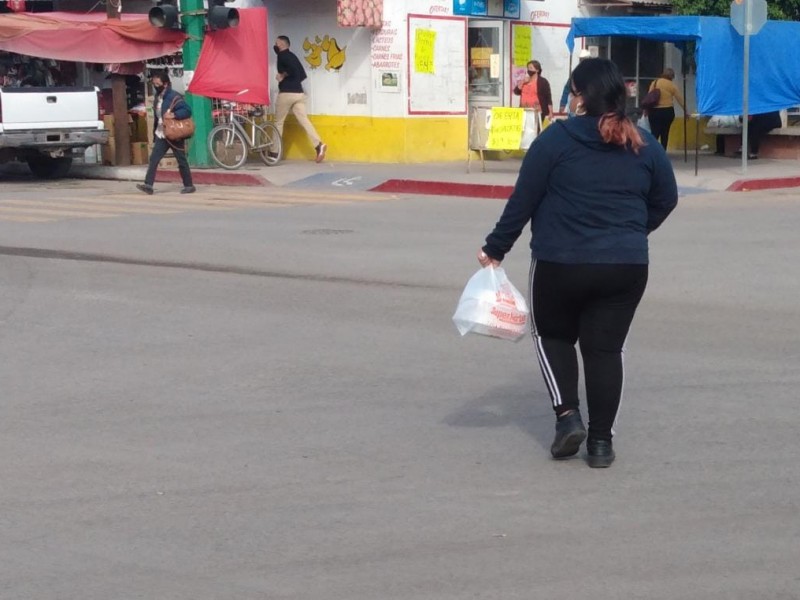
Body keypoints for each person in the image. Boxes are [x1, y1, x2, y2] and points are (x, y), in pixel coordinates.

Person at [476, 58, 678, 468]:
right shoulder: (643, 143)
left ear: (580, 97)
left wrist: (496, 248)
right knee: (605, 351)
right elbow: (666, 198)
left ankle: (568, 418)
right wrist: (634, 232)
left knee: (552, 337)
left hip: (559, 262)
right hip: (625, 267)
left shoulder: (555, 141)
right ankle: (601, 444)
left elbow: (523, 201)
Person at [136, 70, 195, 195]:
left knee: (181, 160)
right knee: (154, 159)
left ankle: (189, 185)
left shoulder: (174, 96)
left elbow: (187, 110)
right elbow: (158, 118)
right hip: (161, 134)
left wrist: (174, 114)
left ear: (166, 84)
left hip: (174, 134)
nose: (156, 86)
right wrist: (154, 134)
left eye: (158, 84)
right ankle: (148, 185)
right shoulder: (158, 98)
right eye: (154, 84)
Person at [273, 35, 327, 163]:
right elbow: (302, 75)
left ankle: (274, 152)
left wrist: (282, 76)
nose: (275, 45)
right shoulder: (293, 56)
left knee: (278, 122)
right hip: (299, 93)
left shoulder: (282, 56)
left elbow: (290, 70)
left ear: (282, 44)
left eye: (276, 43)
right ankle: (319, 145)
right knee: (304, 120)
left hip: (286, 93)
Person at [646, 68, 686, 150]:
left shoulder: (655, 83)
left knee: (654, 133)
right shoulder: (671, 85)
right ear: (671, 77)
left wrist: (646, 110)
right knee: (665, 133)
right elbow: (680, 98)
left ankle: (653, 152)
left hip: (654, 111)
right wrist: (686, 110)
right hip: (667, 112)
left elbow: (649, 97)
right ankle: (663, 152)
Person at [558, 49, 592, 114]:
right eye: (582, 59)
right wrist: (562, 104)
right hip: (576, 105)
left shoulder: (595, 73)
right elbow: (567, 88)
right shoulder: (576, 73)